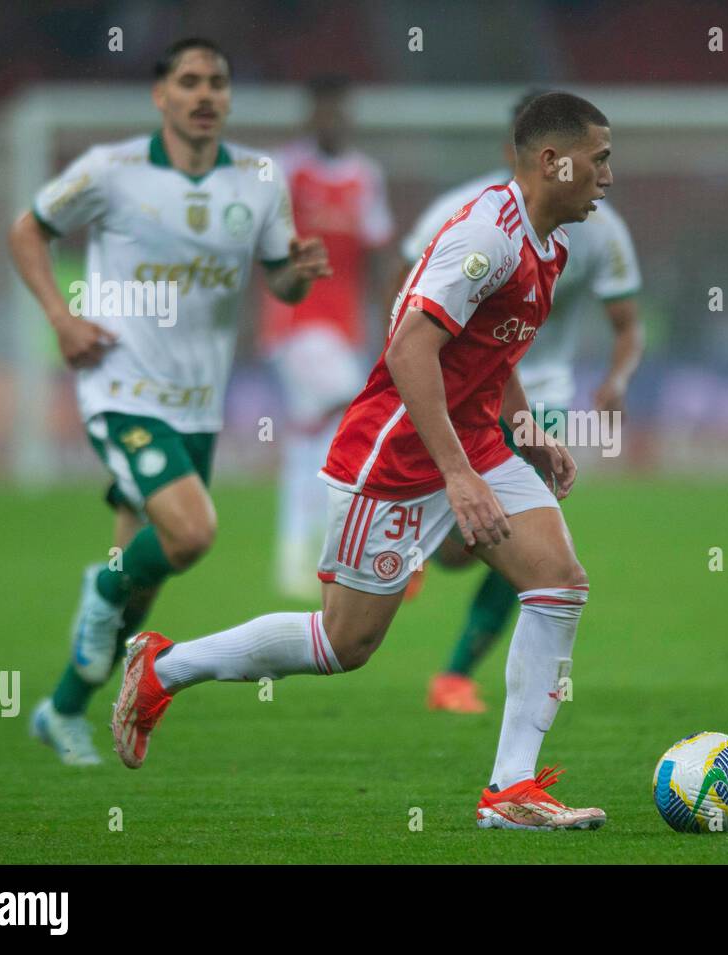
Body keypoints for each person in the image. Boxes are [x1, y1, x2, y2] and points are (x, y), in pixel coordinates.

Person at [112, 91, 613, 830]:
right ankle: (162, 666)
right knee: (343, 643)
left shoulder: (549, 244)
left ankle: (511, 790)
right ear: (552, 160)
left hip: (471, 442)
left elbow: (489, 346)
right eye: (599, 160)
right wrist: (456, 472)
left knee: (560, 585)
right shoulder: (490, 236)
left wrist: (525, 430)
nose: (607, 175)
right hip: (396, 456)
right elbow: (411, 345)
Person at [8, 38, 330, 765]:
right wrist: (61, 319)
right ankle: (99, 585)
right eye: (189, 82)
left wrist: (299, 277)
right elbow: (26, 228)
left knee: (140, 592)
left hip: (198, 405)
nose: (205, 94)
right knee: (189, 534)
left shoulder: (256, 179)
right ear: (161, 95)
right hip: (118, 384)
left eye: (217, 81)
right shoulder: (111, 171)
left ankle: (61, 709)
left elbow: (280, 281)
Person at [395, 90, 642, 714]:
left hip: (540, 395)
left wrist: (615, 381)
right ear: (536, 155)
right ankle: (413, 541)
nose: (606, 176)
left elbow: (627, 325)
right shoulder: (469, 220)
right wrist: (397, 372)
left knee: (541, 559)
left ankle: (455, 677)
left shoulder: (594, 233)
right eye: (598, 159)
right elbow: (409, 315)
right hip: (464, 394)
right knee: (465, 549)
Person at [260, 76, 394, 599]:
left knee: (312, 442)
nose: (331, 120)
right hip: (295, 323)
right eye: (323, 111)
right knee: (353, 407)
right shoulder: (285, 168)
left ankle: (298, 552)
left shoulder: (365, 176)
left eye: (339, 111)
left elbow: (380, 251)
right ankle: (354, 545)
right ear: (310, 115)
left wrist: (391, 319)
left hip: (345, 328)